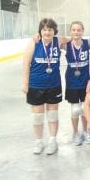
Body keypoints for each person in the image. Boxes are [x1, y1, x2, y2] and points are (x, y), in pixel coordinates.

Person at [22, 18, 63, 155]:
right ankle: (39, 141)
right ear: (40, 31)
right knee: (37, 117)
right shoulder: (34, 43)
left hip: (54, 85)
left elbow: (74, 38)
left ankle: (53, 140)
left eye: (50, 29)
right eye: (44, 29)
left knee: (53, 115)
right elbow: (26, 63)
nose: (47, 32)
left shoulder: (58, 41)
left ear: (54, 31)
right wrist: (25, 83)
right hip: (35, 85)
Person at [62, 21, 90, 146]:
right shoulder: (66, 45)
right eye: (74, 30)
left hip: (85, 81)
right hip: (72, 82)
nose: (76, 32)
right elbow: (54, 39)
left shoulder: (88, 42)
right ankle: (75, 133)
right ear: (70, 31)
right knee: (74, 110)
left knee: (84, 109)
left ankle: (84, 131)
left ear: (83, 31)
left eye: (79, 30)